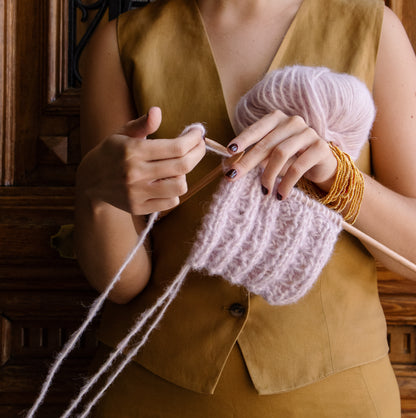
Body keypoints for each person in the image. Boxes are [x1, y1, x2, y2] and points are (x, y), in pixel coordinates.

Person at [75, 0, 416, 416]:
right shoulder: (119, 44)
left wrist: (337, 177)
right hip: (153, 393)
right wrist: (96, 194)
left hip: (337, 398)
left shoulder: (374, 30)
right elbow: (122, 285)